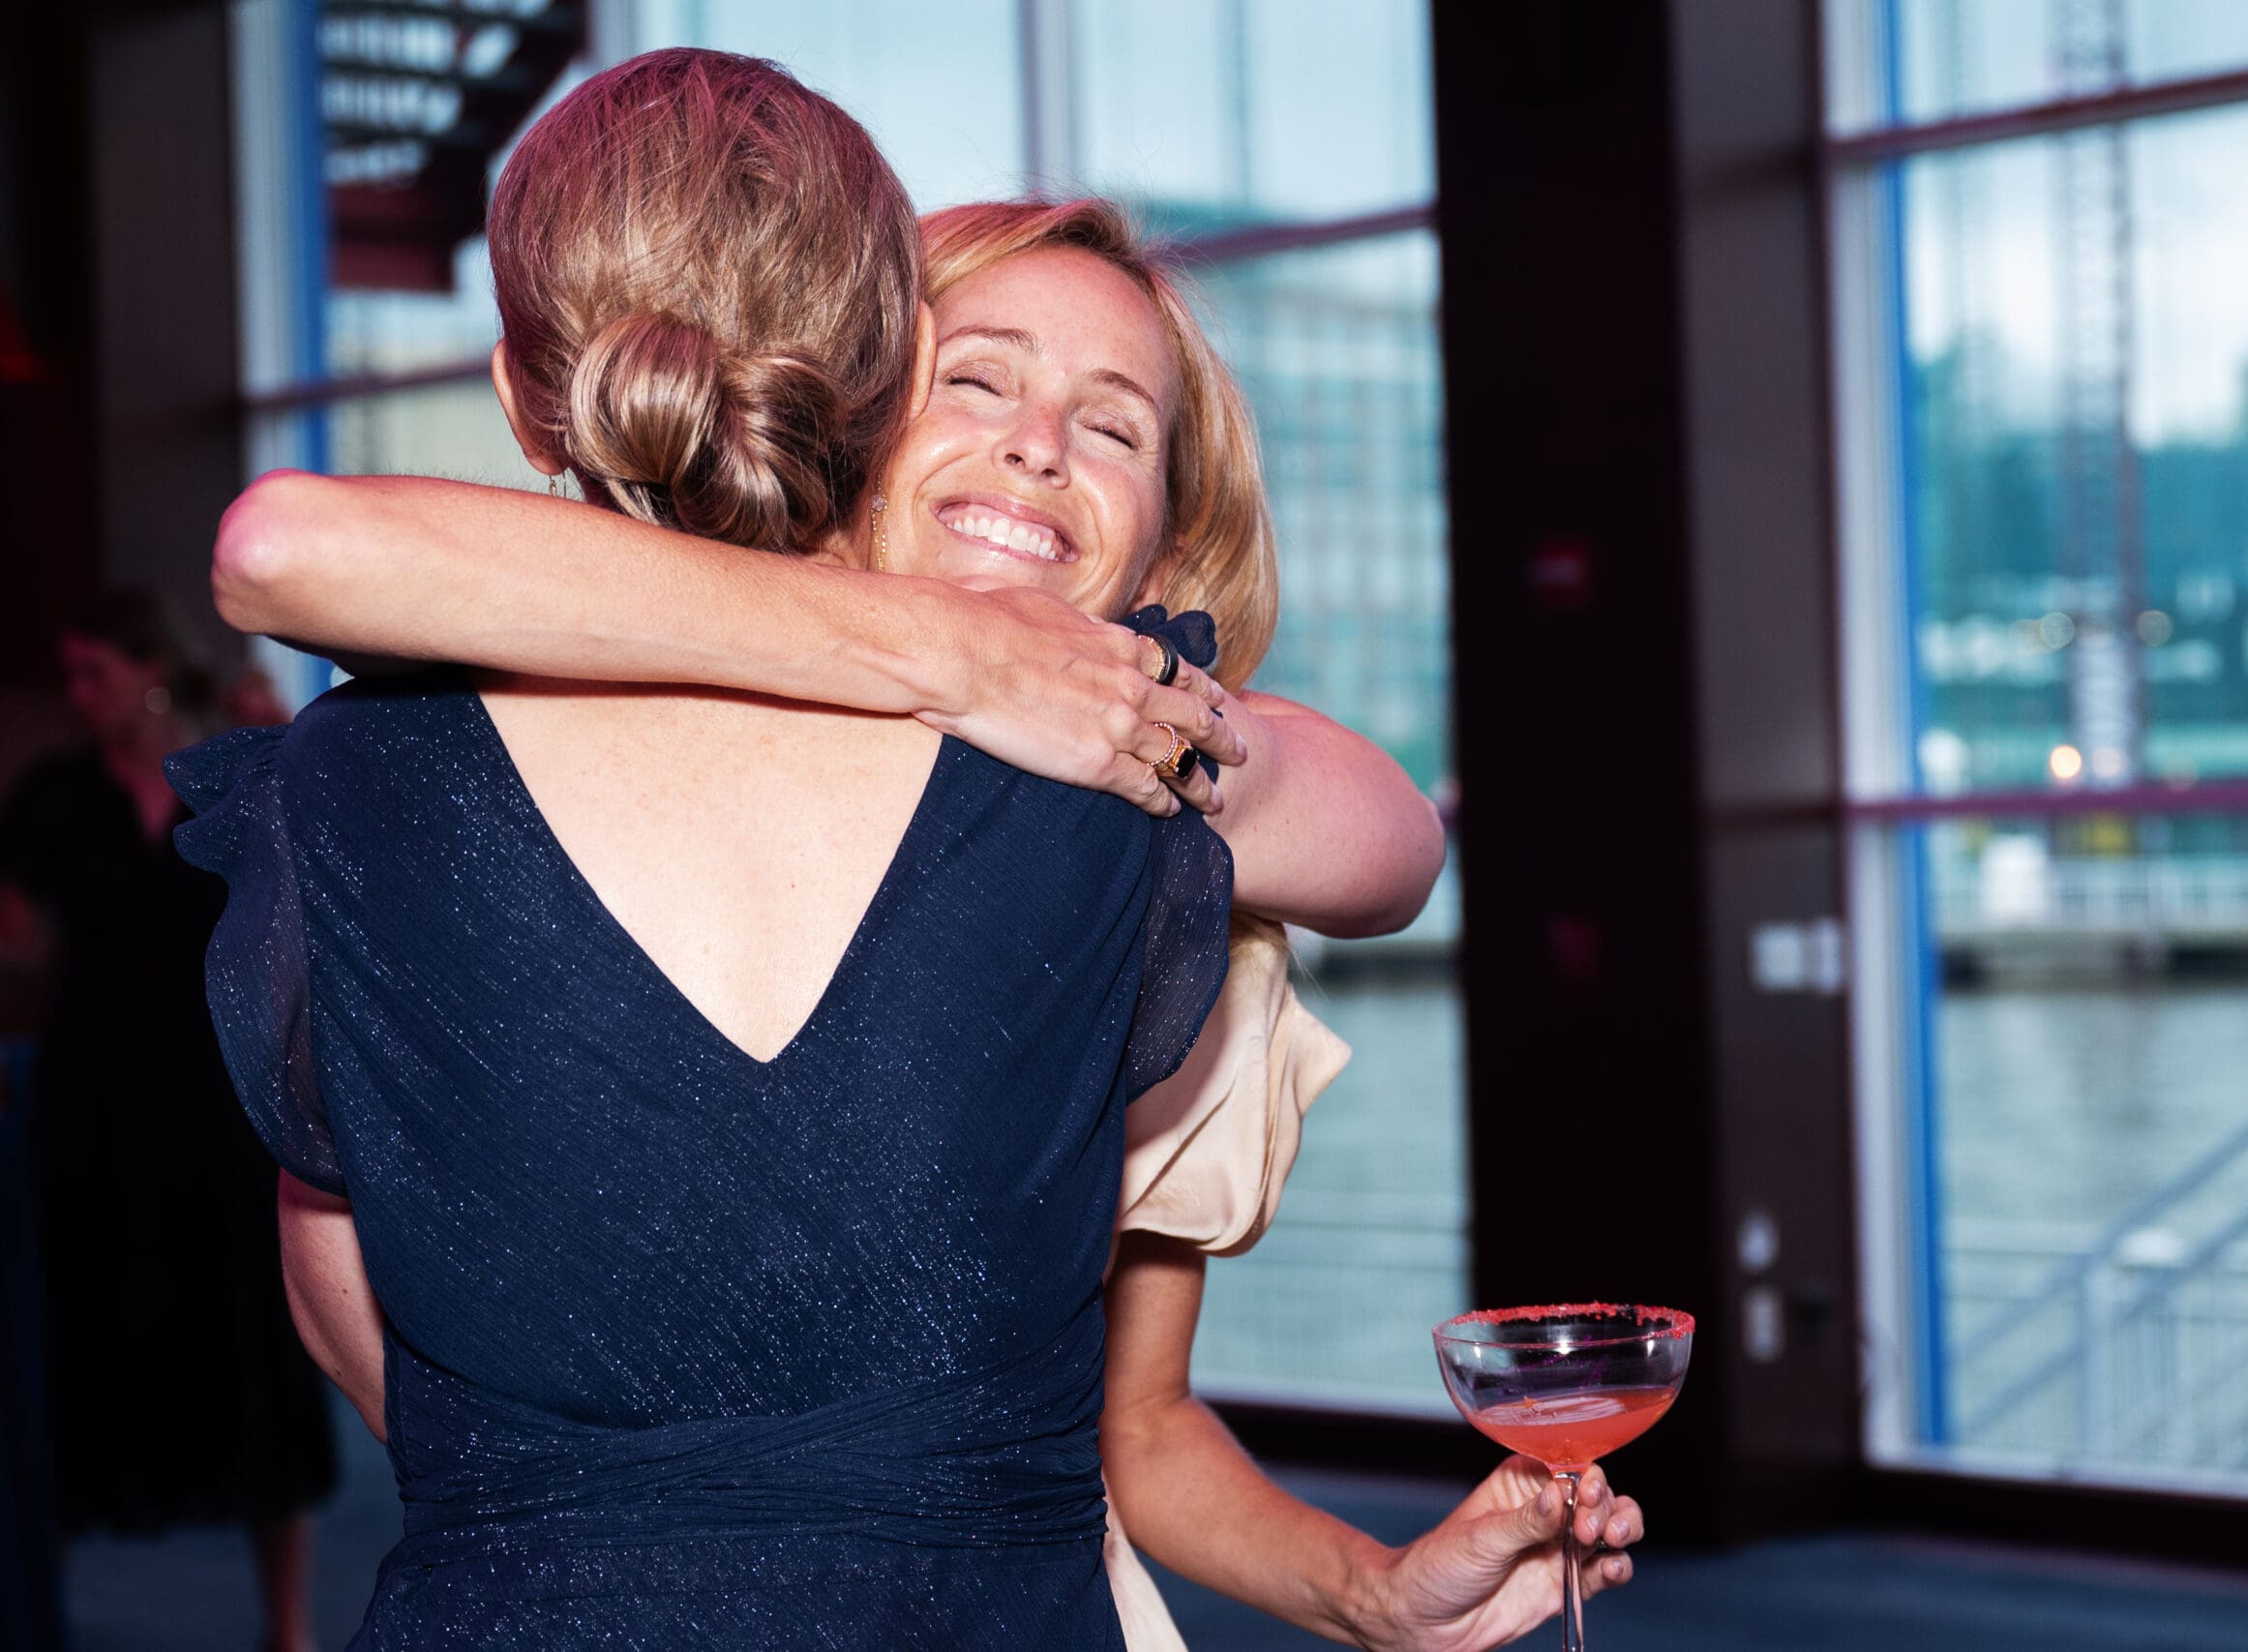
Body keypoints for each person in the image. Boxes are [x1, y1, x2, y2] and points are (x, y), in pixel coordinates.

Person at [199, 52, 1642, 1649]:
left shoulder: (1138, 826)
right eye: (980, 382)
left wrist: (1371, 1594)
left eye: (1115, 425)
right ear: (843, 391)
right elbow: (293, 549)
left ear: (1168, 529)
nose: (1040, 448)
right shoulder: (1084, 820)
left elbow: (1139, 1426)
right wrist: (933, 652)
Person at [0, 589, 336, 1652]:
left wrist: (287, 748)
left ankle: (286, 1626)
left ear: (149, 671)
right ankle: (43, 1603)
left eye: (94, 672)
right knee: (87, 1343)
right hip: (95, 1104)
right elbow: (12, 943)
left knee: (247, 1349)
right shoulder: (58, 794)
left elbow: (315, 892)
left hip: (217, 1097)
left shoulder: (234, 771)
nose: (78, 695)